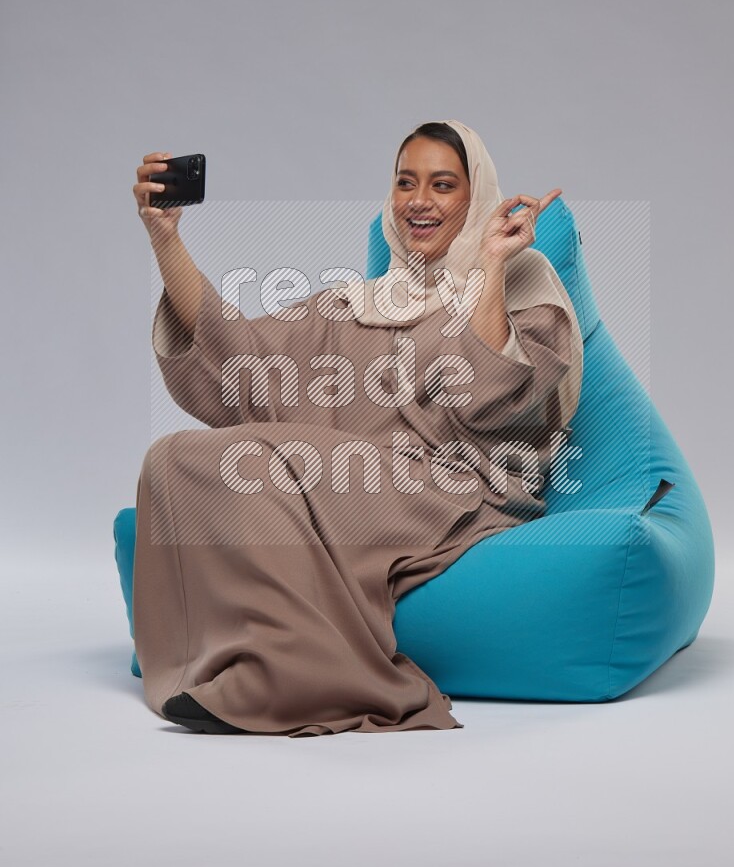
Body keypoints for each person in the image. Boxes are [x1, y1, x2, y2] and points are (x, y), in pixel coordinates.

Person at [131, 119, 583, 736]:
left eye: (443, 185)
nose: (419, 202)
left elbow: (490, 398)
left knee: (271, 460)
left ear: (475, 196)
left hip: (458, 488)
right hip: (358, 479)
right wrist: (166, 242)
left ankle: (302, 679)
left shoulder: (522, 281)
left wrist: (494, 264)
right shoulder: (357, 303)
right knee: (176, 457)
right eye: (406, 183)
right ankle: (236, 660)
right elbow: (237, 356)